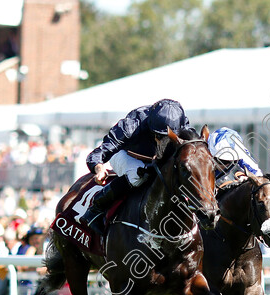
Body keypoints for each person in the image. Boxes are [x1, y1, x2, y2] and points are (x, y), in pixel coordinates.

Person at [79, 99, 193, 234]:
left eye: (167, 137)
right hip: (125, 155)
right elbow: (103, 150)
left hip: (155, 160)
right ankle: (95, 209)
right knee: (138, 175)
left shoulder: (181, 123)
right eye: (158, 136)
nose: (162, 142)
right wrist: (98, 167)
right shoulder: (134, 122)